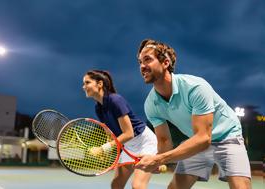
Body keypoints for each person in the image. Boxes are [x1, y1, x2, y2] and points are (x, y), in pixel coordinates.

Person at [134, 39, 251, 189]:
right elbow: (164, 142)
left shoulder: (195, 87)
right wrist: (157, 158)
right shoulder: (151, 104)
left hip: (227, 136)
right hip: (196, 142)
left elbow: (203, 138)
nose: (142, 66)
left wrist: (159, 160)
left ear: (165, 63)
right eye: (140, 62)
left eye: (147, 60)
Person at [82, 70, 158, 189]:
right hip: (128, 145)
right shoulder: (99, 108)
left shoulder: (115, 100)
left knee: (137, 186)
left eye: (87, 82)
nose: (84, 87)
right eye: (84, 83)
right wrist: (106, 150)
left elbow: (129, 133)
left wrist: (103, 148)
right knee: (116, 185)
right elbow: (110, 133)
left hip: (144, 142)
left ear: (100, 84)